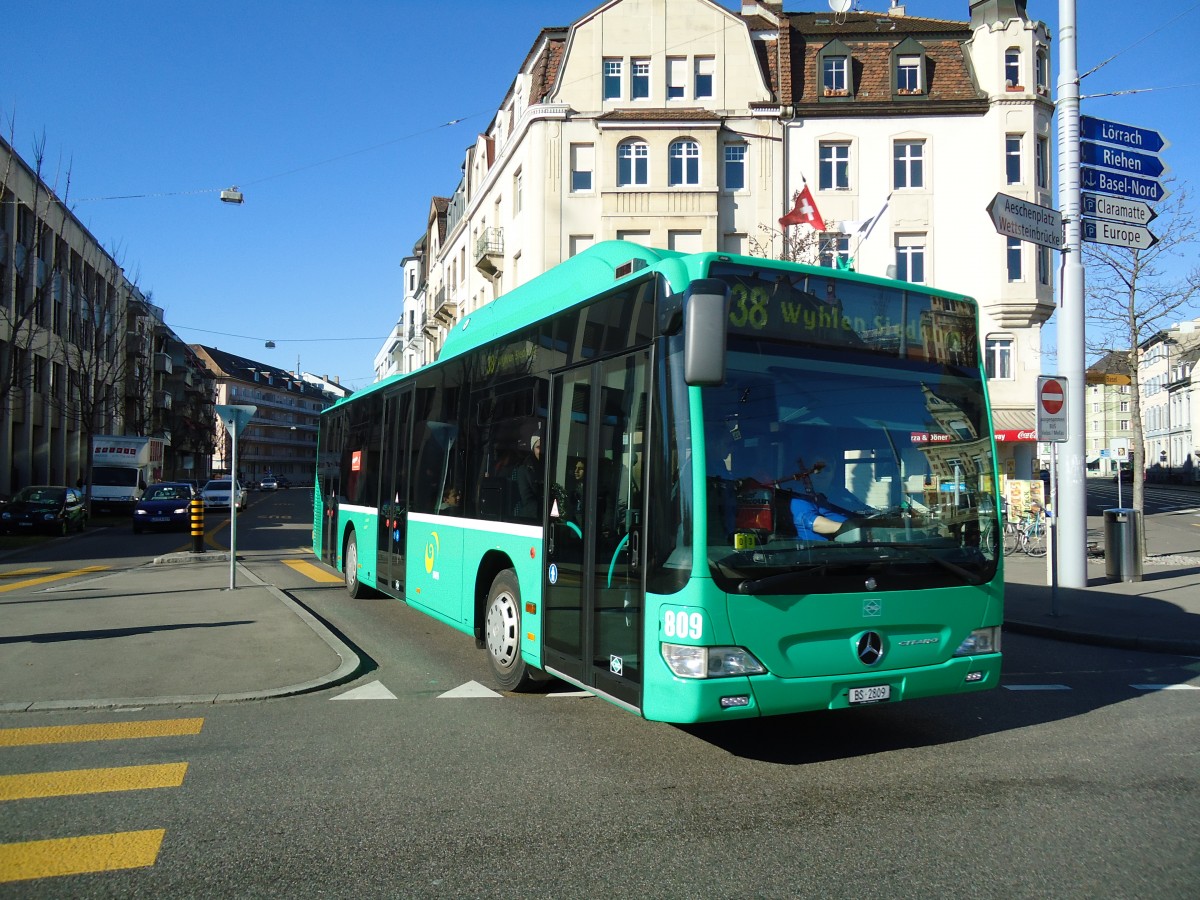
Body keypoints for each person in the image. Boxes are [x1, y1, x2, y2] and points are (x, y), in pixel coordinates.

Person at [789, 454, 862, 540]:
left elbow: (862, 508)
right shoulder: (799, 495)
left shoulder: (840, 493)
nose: (822, 473)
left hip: (854, 546)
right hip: (818, 550)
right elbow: (814, 523)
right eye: (817, 469)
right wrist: (854, 530)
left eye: (827, 469)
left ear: (833, 473)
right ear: (808, 472)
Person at [515, 436, 543, 519]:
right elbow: (527, 500)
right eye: (538, 447)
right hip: (531, 519)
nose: (541, 451)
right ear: (533, 450)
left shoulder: (550, 466)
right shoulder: (524, 470)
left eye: (543, 447)